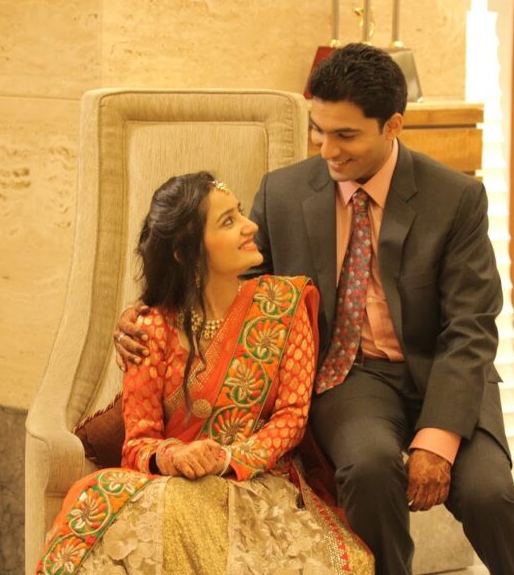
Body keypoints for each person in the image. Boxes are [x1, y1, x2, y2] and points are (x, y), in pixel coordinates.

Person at [117, 44, 514, 574]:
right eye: (319, 130)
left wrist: (437, 442)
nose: (327, 150)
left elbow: (471, 328)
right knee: (369, 468)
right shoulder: (284, 192)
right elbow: (232, 283)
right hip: (351, 377)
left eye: (346, 135)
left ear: (392, 126)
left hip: (448, 374)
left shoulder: (455, 198)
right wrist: (146, 310)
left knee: (490, 495)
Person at [37, 172, 372, 574]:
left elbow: (291, 419)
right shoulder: (150, 329)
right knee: (106, 500)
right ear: (186, 252)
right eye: (228, 222)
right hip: (171, 486)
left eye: (241, 214)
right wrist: (177, 456)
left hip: (257, 484)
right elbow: (138, 442)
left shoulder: (284, 305)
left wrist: (225, 459)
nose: (251, 228)